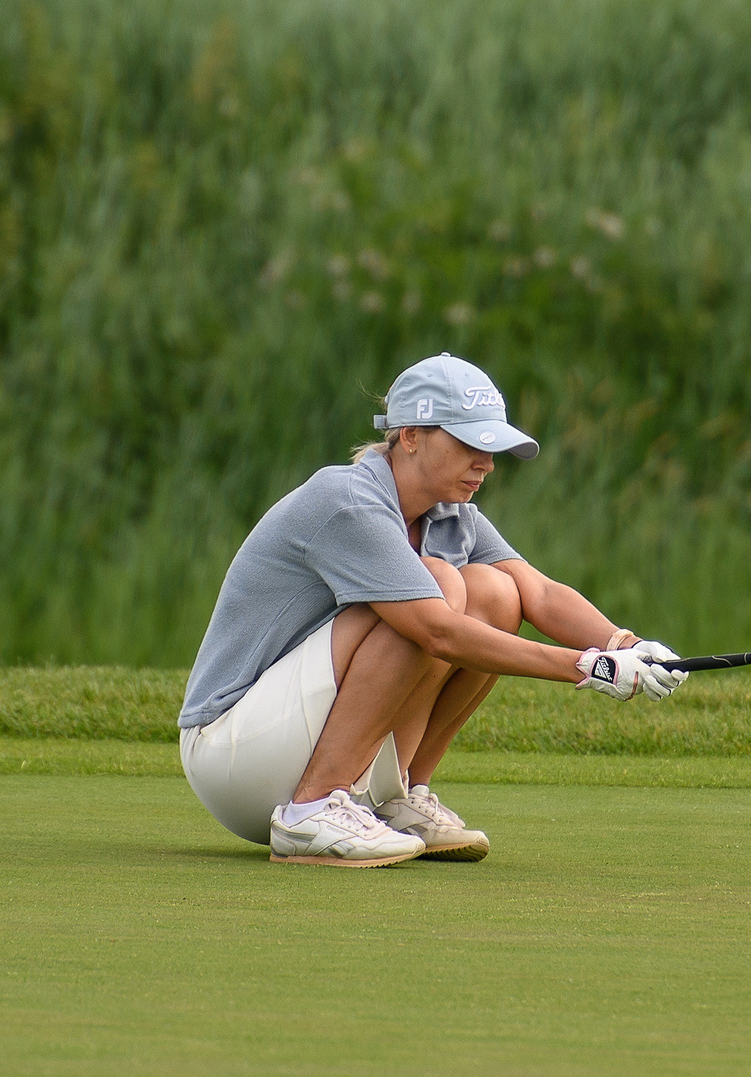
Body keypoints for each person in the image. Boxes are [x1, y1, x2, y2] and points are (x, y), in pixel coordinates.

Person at [178, 353, 686, 866]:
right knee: (438, 585)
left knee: (496, 592)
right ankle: (310, 811)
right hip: (232, 749)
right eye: (470, 444)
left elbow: (540, 593)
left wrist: (626, 644)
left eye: (492, 449)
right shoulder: (348, 499)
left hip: (286, 742)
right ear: (411, 435)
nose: (486, 463)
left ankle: (394, 797)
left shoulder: (451, 514)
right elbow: (437, 633)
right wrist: (587, 666)